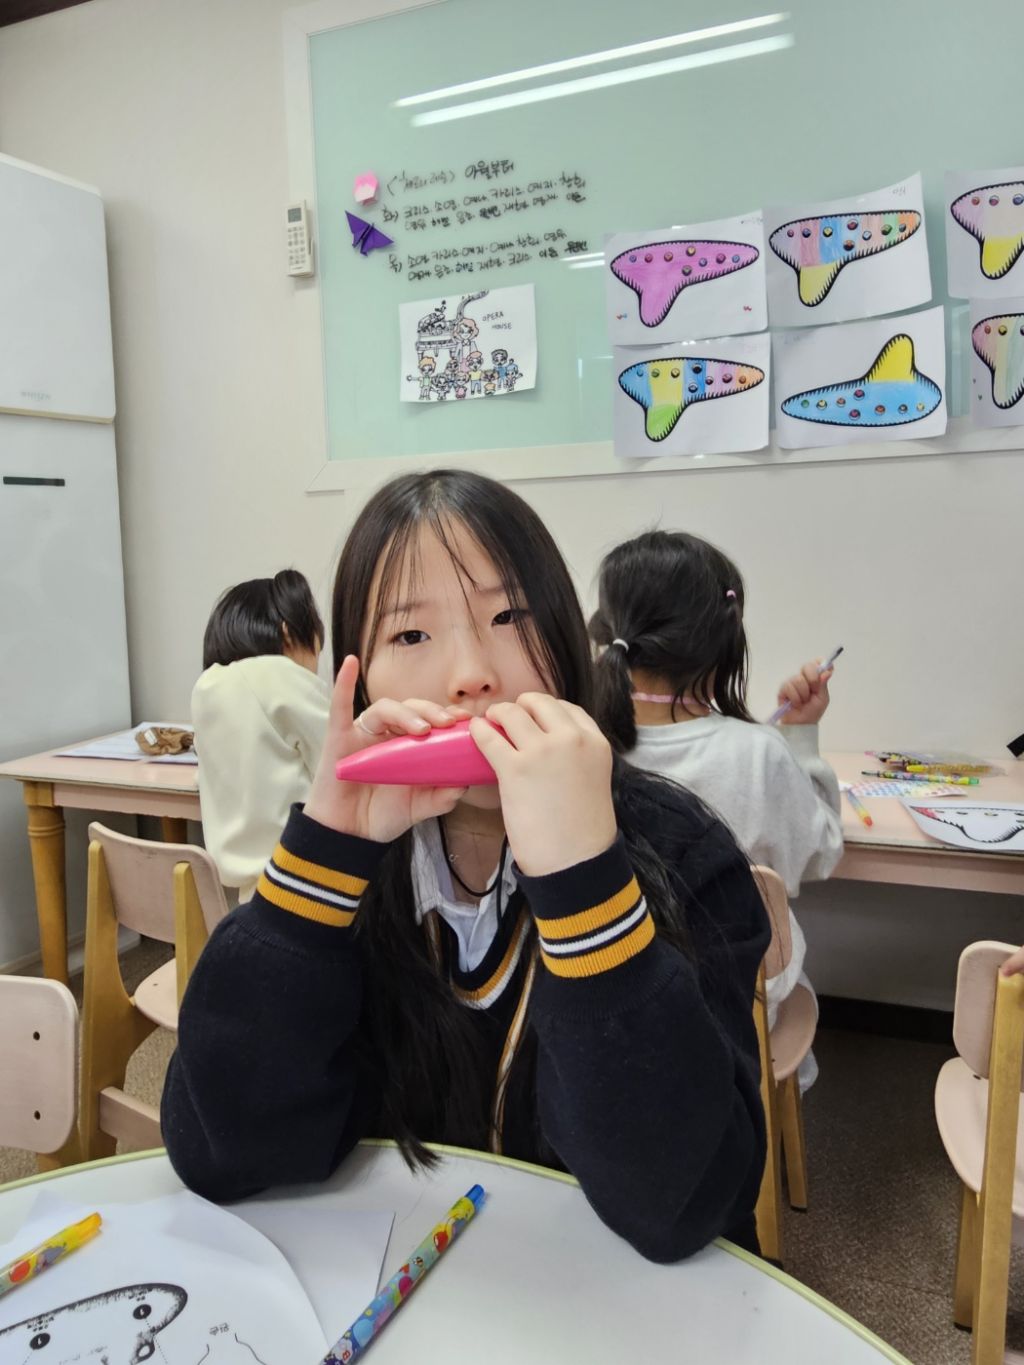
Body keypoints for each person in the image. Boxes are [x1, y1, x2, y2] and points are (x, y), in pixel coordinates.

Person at [163, 472, 769, 1263]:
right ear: (361, 679)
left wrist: (584, 879)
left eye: (510, 616)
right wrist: (321, 861)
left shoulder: (685, 851)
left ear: (567, 639)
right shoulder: (346, 864)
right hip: (400, 1274)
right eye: (411, 635)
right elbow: (222, 1150)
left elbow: (685, 1204)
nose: (470, 675)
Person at [588, 530, 842, 1072]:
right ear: (725, 639)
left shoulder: (576, 743)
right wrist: (801, 738)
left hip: (607, 1000)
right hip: (739, 1005)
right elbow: (820, 856)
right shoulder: (758, 753)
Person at [191, 569, 329, 902]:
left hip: (249, 894)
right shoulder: (278, 675)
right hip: (306, 878)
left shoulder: (206, 688)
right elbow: (342, 761)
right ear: (287, 634)